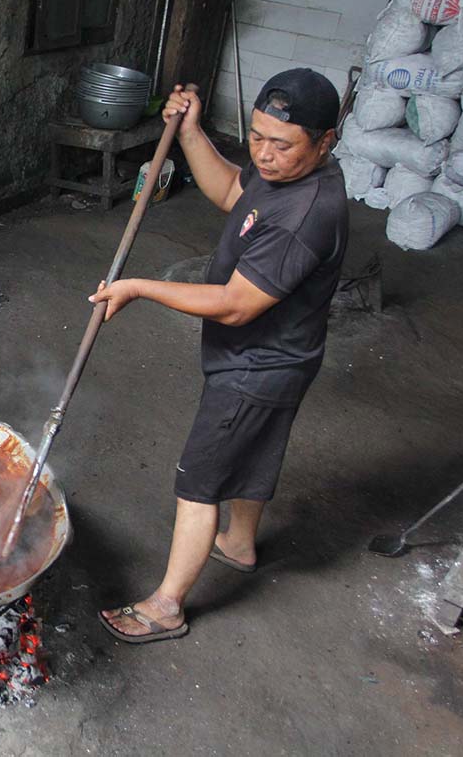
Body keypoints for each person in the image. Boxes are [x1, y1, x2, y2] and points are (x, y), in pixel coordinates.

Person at [91, 69, 349, 643]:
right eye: (256, 136)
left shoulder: (308, 214)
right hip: (282, 357)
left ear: (326, 141)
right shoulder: (279, 175)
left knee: (199, 480)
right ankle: (238, 542)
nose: (263, 153)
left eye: (281, 144)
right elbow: (234, 192)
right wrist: (191, 132)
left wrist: (140, 286)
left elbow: (234, 305)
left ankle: (166, 607)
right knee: (253, 449)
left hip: (257, 367)